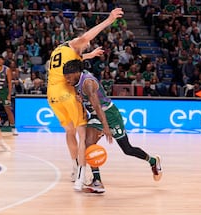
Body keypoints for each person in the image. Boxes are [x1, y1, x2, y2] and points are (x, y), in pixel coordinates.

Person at [47, 8, 124, 191]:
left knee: (69, 131)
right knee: (82, 134)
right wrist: (109, 20)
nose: (86, 47)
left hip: (51, 94)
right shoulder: (75, 43)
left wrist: (90, 55)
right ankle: (82, 175)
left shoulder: (59, 50)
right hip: (67, 94)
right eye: (86, 47)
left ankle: (74, 168)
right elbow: (86, 37)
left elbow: (76, 59)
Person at [63, 59, 162, 193]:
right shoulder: (76, 80)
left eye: (68, 77)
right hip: (95, 116)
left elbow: (97, 106)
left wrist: (106, 127)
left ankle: (153, 161)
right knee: (87, 144)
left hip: (109, 114)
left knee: (127, 149)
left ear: (76, 73)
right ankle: (97, 181)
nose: (67, 80)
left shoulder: (88, 83)